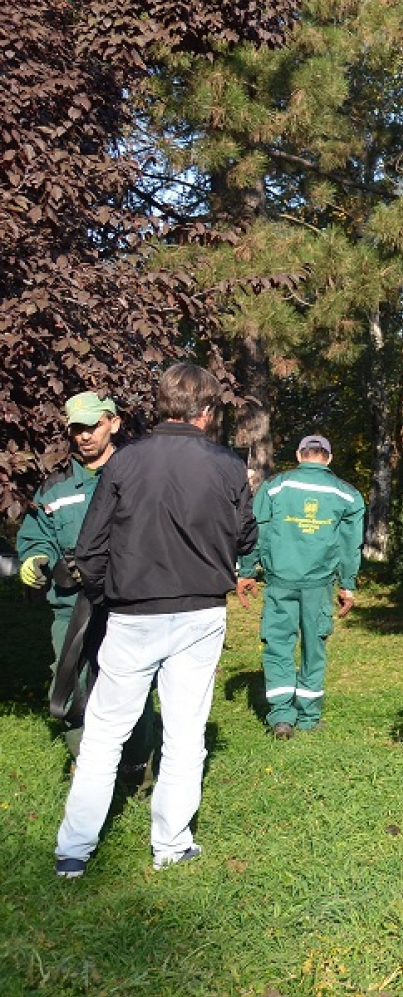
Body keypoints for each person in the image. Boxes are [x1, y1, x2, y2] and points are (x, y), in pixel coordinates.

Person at [54, 363, 254, 880]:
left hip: (133, 612)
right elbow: (247, 538)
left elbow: (91, 549)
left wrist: (107, 593)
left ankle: (74, 851)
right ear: (207, 413)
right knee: (186, 734)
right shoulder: (228, 465)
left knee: (103, 735)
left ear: (161, 406)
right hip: (199, 612)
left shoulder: (123, 464)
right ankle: (170, 844)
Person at [16, 392, 156, 775]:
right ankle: (86, 759)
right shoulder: (56, 488)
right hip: (71, 607)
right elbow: (37, 533)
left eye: (92, 425)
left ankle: (134, 764)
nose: (84, 435)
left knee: (130, 684)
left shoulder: (139, 479)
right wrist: (35, 557)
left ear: (113, 423)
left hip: (126, 607)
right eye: (76, 428)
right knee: (69, 683)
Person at [237, 433, 364, 739]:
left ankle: (281, 715)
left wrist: (247, 571)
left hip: (280, 581)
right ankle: (308, 716)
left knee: (279, 643)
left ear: (298, 455)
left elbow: (256, 531)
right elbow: (350, 546)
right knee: (313, 647)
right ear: (328, 458)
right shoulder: (348, 496)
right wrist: (347, 585)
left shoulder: (275, 487)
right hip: (318, 584)